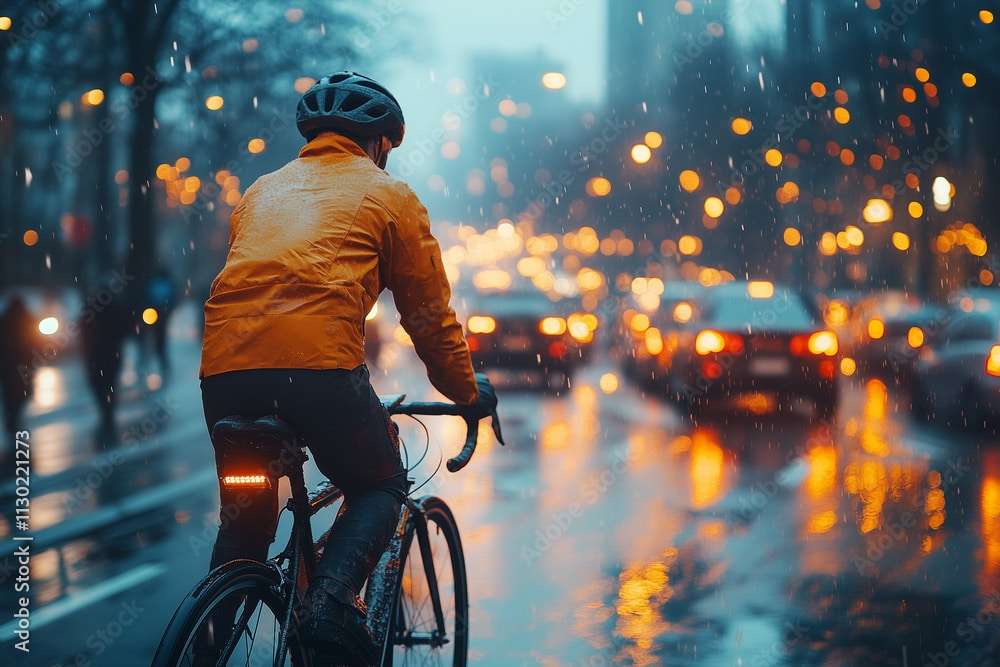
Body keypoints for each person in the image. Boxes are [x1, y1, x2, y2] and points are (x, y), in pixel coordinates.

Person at [198, 71, 498, 664]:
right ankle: (332, 603)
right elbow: (429, 317)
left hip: (225, 375)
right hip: (317, 376)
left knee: (245, 528)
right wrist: (466, 392)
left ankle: (202, 644)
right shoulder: (391, 197)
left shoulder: (261, 192)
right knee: (380, 483)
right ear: (381, 143)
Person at [0, 295, 36, 438]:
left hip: (13, 366)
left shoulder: (7, 320)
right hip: (19, 365)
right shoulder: (23, 319)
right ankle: (13, 421)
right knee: (19, 394)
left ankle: (12, 420)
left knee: (13, 395)